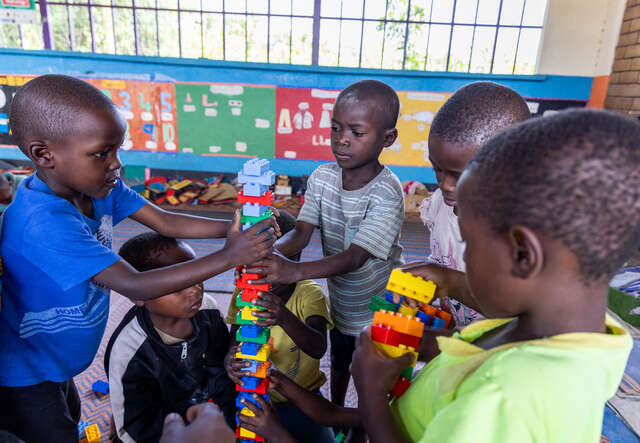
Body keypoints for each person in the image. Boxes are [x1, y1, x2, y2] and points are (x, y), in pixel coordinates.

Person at [0, 74, 277, 442]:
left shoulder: (96, 187)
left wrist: (243, 221)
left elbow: (166, 219)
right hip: (26, 370)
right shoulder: (41, 223)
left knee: (69, 415)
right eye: (102, 153)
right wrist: (231, 254)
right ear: (43, 154)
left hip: (57, 360)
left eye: (117, 149)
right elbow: (136, 284)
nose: (117, 164)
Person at [351, 109, 635, 442]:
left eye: (469, 243)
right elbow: (487, 353)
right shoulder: (572, 329)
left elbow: (495, 380)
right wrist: (429, 346)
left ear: (523, 255)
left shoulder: (505, 396)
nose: (464, 258)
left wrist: (370, 392)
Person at [246, 80, 405, 406]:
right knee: (340, 359)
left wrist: (292, 272)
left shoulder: (387, 193)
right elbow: (302, 233)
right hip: (342, 300)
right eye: (335, 128)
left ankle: (361, 426)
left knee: (371, 371)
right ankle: (336, 412)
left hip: (378, 305)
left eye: (356, 133)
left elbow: (355, 258)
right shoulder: (322, 177)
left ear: (387, 138)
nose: (342, 139)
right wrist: (269, 253)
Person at [410, 81, 531, 327]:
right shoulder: (442, 205)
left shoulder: (524, 232)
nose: (445, 184)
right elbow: (443, 256)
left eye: (459, 175)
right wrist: (428, 278)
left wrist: (448, 281)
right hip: (459, 338)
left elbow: (519, 309)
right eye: (437, 169)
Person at [105, 233, 237, 442]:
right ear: (138, 294)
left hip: (206, 410)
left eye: (194, 275)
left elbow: (219, 369)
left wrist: (231, 420)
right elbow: (133, 428)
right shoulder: (127, 350)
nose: (195, 289)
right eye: (176, 285)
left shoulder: (207, 309)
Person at [226, 211, 334, 443]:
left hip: (303, 399)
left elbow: (318, 348)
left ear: (291, 260)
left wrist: (284, 317)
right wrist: (230, 359)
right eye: (250, 268)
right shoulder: (244, 292)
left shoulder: (309, 294)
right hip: (256, 396)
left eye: (266, 267)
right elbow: (236, 336)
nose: (258, 277)